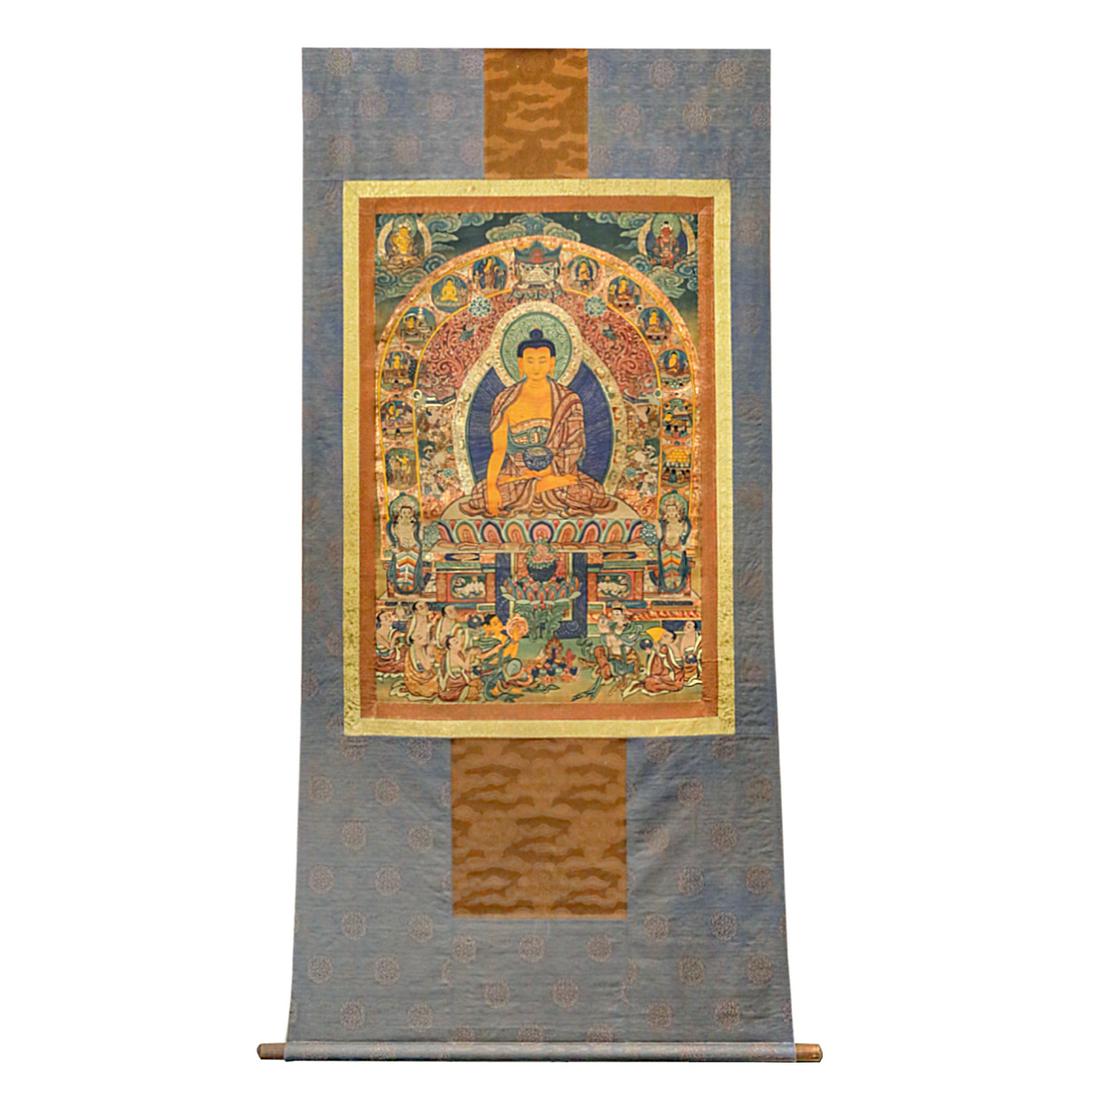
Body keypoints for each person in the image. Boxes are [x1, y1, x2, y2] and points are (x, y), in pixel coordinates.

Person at [460, 328, 616, 518]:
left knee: (591, 493)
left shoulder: (568, 400)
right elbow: (499, 450)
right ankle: (539, 489)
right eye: (530, 361)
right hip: (517, 474)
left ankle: (538, 489)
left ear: (552, 363)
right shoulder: (505, 400)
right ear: (520, 363)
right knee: (481, 495)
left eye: (542, 360)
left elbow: (574, 447)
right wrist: (492, 487)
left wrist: (548, 473)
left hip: (558, 473)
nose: (536, 367)